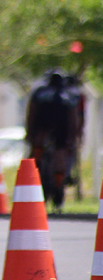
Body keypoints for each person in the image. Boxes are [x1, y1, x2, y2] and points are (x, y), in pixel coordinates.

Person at [24, 70, 82, 212]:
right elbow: (73, 118)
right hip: (61, 127)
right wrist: (74, 137)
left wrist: (30, 133)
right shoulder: (69, 95)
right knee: (60, 155)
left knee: (38, 143)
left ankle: (36, 163)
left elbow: (32, 113)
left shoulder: (40, 92)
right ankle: (58, 185)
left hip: (42, 125)